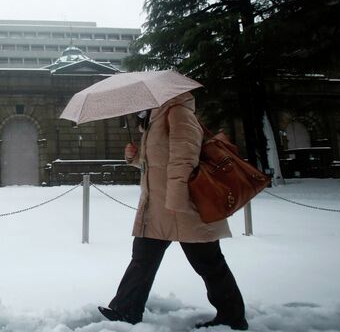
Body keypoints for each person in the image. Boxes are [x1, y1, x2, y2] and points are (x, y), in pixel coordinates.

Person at [97, 92, 248, 330]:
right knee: (142, 259)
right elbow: (159, 161)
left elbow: (185, 158)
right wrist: (136, 158)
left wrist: (177, 201)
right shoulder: (155, 118)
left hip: (186, 207)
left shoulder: (177, 112)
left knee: (208, 262)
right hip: (158, 207)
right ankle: (125, 310)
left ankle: (232, 316)